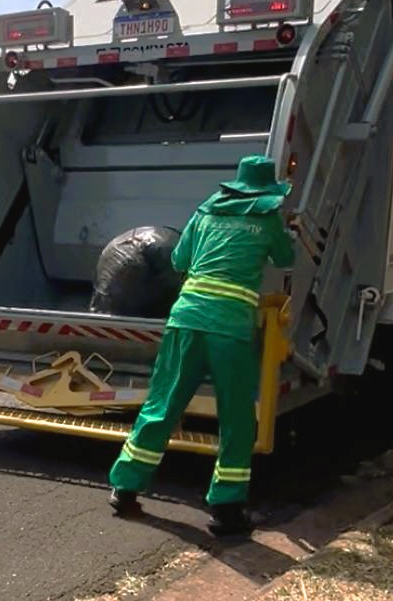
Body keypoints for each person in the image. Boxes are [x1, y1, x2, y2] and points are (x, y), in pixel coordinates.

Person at [107, 154, 296, 536]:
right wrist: (288, 230)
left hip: (186, 319)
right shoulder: (268, 220)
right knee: (236, 417)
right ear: (266, 192)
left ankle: (125, 487)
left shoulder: (205, 213)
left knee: (163, 404)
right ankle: (225, 509)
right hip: (229, 328)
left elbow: (178, 259)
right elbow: (286, 260)